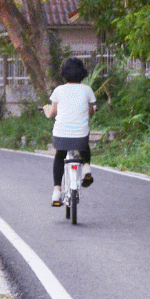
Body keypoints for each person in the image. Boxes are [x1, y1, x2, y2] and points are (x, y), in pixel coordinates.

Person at [42, 58, 98, 207]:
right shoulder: (87, 90)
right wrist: (92, 109)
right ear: (82, 73)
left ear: (64, 74)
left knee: (60, 156)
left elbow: (52, 113)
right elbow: (91, 111)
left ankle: (56, 193)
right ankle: (86, 168)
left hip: (61, 135)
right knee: (84, 146)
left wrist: (46, 110)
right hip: (80, 136)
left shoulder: (58, 90)